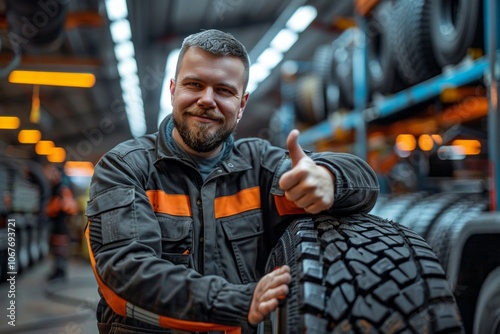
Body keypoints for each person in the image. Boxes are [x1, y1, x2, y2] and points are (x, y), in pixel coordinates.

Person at [85, 29, 379, 333]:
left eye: (224, 90)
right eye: (194, 84)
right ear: (172, 90)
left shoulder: (260, 167)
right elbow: (125, 273)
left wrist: (330, 179)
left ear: (241, 106)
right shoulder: (125, 167)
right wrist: (237, 302)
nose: (207, 100)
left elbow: (364, 182)